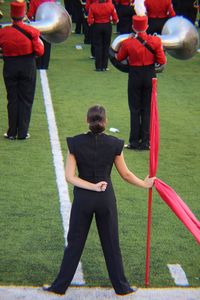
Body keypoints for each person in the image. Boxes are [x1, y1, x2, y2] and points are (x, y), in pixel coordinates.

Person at [43, 105, 155, 296]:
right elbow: (126, 175)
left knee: (75, 242)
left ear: (87, 120)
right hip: (106, 199)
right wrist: (145, 184)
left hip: (83, 200)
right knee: (111, 243)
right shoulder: (114, 144)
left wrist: (91, 186)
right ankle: (122, 287)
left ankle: (59, 287)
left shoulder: (76, 143)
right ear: (105, 122)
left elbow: (70, 177)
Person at [115, 15, 166, 150]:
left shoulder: (128, 43)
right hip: (150, 75)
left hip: (134, 75)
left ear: (133, 27)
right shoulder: (155, 41)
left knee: (134, 109)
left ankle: (133, 141)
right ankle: (145, 142)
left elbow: (119, 58)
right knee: (147, 110)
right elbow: (162, 61)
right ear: (147, 26)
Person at [0, 1, 44, 140]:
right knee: (26, 99)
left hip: (10, 66)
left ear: (11, 16)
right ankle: (23, 132)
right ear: (24, 15)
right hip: (27, 66)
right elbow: (40, 51)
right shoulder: (32, 31)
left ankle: (11, 132)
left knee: (12, 98)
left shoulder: (3, 32)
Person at [87, 0, 118, 71]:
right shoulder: (110, 6)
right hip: (107, 26)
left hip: (97, 26)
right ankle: (105, 66)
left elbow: (90, 20)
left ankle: (98, 66)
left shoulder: (93, 6)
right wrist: (115, 21)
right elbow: (115, 18)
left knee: (98, 46)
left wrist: (91, 23)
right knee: (106, 46)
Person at [27, 0, 55, 69]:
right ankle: (45, 64)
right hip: (49, 26)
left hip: (38, 26)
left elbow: (30, 15)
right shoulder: (52, 1)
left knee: (38, 44)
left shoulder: (34, 1)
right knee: (47, 45)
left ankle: (38, 64)